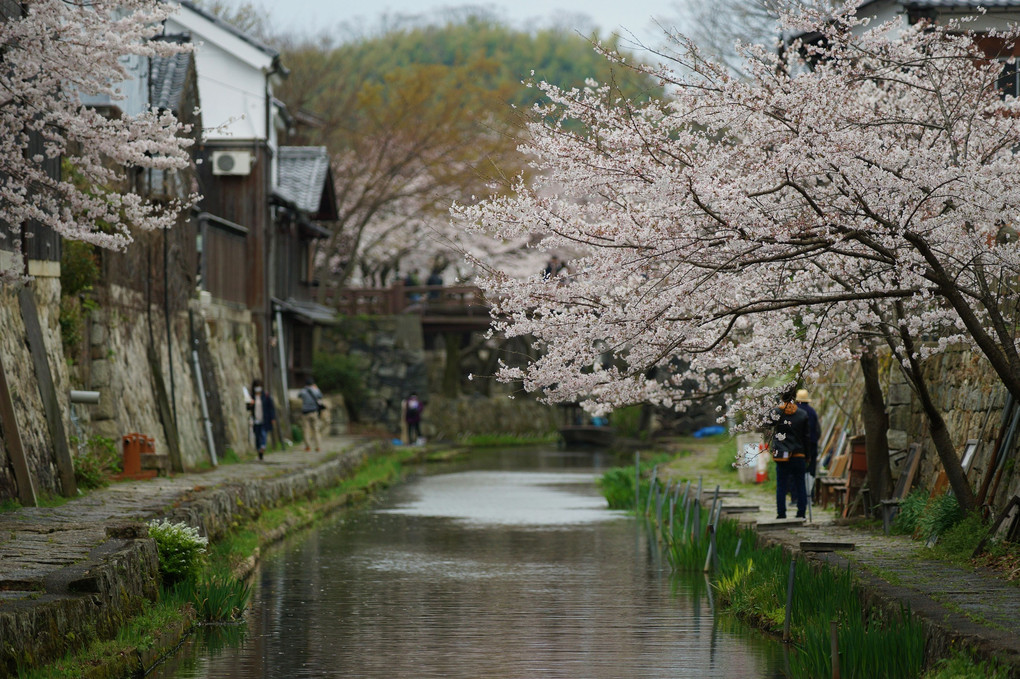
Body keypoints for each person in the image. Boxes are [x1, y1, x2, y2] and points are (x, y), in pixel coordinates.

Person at [770, 386, 811, 519]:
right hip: (799, 454)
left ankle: (781, 513)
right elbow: (806, 437)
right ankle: (801, 512)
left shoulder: (776, 413)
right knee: (800, 484)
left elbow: (766, 425)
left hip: (782, 455)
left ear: (781, 397)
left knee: (781, 485)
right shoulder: (802, 414)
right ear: (795, 397)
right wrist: (808, 455)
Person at [248, 378, 276, 461]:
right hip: (255, 419)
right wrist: (250, 404)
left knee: (263, 434)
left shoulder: (266, 396)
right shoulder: (251, 397)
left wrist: (272, 418)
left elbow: (271, 408)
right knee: (257, 436)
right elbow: (248, 408)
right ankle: (259, 452)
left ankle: (263, 446)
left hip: (264, 419)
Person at [796, 388, 821, 476]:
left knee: (798, 472)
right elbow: (818, 430)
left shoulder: (795, 411)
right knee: (811, 469)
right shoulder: (812, 411)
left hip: (798, 445)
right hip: (812, 443)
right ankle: (810, 488)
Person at [299, 376, 325, 452]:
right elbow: (320, 396)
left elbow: (299, 395)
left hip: (305, 413)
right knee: (316, 430)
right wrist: (316, 388)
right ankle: (318, 446)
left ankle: (308, 446)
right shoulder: (316, 390)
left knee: (306, 430)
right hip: (314, 412)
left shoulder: (303, 391)